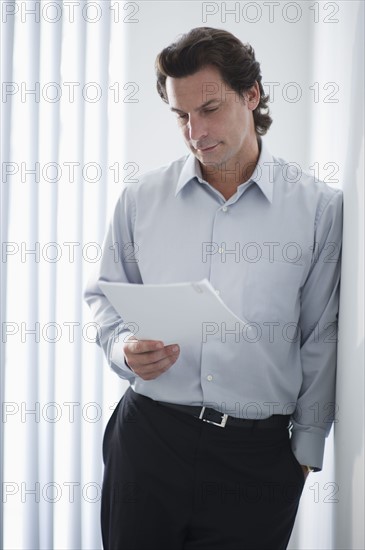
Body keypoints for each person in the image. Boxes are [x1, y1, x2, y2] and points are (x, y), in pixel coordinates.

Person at [84, 27, 343, 550]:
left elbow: (322, 333)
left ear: (251, 95)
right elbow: (105, 300)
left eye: (209, 108)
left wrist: (305, 452)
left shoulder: (319, 209)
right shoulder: (140, 200)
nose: (195, 131)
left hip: (258, 462)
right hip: (148, 442)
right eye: (182, 116)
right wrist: (124, 349)